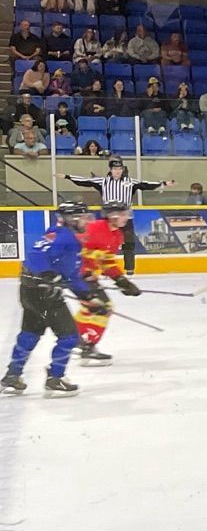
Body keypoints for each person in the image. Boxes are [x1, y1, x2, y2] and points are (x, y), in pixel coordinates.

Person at [2, 200, 102, 397]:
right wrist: (48, 275)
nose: (87, 221)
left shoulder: (64, 236)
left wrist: (87, 295)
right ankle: (55, 378)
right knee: (69, 336)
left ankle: (12, 376)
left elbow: (70, 275)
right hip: (44, 294)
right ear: (72, 219)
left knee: (30, 333)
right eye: (83, 217)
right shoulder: (62, 236)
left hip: (31, 292)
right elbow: (35, 254)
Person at [65, 156, 173, 272]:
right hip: (108, 218)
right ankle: (97, 267)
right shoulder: (103, 181)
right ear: (111, 170)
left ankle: (130, 269)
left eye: (120, 169)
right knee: (100, 243)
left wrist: (163, 183)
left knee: (129, 243)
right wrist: (68, 177)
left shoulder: (130, 182)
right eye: (115, 169)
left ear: (123, 169)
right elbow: (85, 181)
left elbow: (145, 185)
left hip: (125, 218)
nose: (117, 171)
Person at [72, 206, 142, 364]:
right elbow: (74, 251)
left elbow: (107, 262)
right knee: (102, 307)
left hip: (89, 277)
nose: (127, 218)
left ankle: (78, 341)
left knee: (92, 308)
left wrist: (121, 280)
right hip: (77, 276)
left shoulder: (117, 235)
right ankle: (85, 345)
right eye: (124, 215)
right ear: (113, 216)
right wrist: (83, 272)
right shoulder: (94, 228)